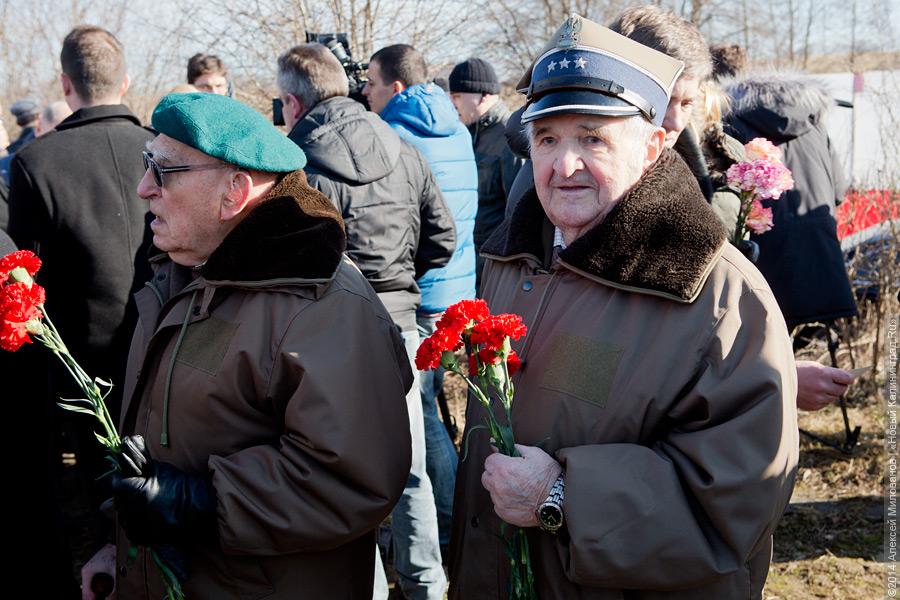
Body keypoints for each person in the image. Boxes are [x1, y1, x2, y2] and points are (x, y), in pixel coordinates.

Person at [449, 15, 798, 599]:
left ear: (654, 145)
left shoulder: (720, 298)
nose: (564, 165)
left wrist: (562, 497)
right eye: (548, 139)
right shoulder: (511, 264)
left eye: (593, 137)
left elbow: (733, 506)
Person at [80, 92, 414, 599]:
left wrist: (201, 501)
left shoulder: (322, 304)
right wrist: (119, 544)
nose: (144, 187)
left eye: (163, 171)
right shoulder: (180, 274)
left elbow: (353, 478)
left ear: (234, 192)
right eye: (147, 165)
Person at [276, 43, 456, 600]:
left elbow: (283, 260)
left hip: (329, 339)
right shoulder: (402, 147)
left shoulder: (292, 164)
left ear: (290, 101)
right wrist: (399, 284)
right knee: (410, 471)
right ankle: (427, 587)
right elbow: (442, 238)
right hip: (399, 327)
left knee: (342, 476)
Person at [6, 25, 155, 593]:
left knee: (98, 501)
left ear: (66, 83)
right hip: (159, 348)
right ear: (127, 79)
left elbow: (27, 274)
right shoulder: (159, 146)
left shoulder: (37, 162)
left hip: (77, 360)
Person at [365, 42, 477, 581]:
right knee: (440, 412)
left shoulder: (396, 141)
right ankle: (455, 525)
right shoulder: (456, 128)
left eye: (371, 83)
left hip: (420, 297)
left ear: (397, 88)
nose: (366, 92)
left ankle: (450, 528)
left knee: (423, 423)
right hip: (458, 287)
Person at [448, 57, 523, 289]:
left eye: (458, 96)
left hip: (493, 263)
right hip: (469, 258)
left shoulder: (510, 136)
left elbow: (518, 210)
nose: (453, 103)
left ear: (483, 95)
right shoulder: (466, 132)